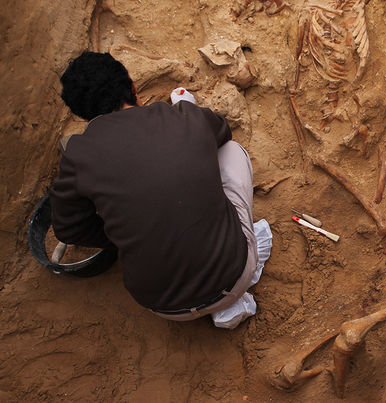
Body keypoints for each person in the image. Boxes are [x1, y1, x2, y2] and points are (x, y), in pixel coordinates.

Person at [50, 51, 270, 327]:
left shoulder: (77, 155)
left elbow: (68, 229)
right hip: (234, 278)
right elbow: (222, 131)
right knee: (231, 151)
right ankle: (231, 292)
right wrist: (189, 113)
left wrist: (125, 232)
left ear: (82, 114)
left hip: (162, 306)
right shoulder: (181, 116)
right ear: (132, 87)